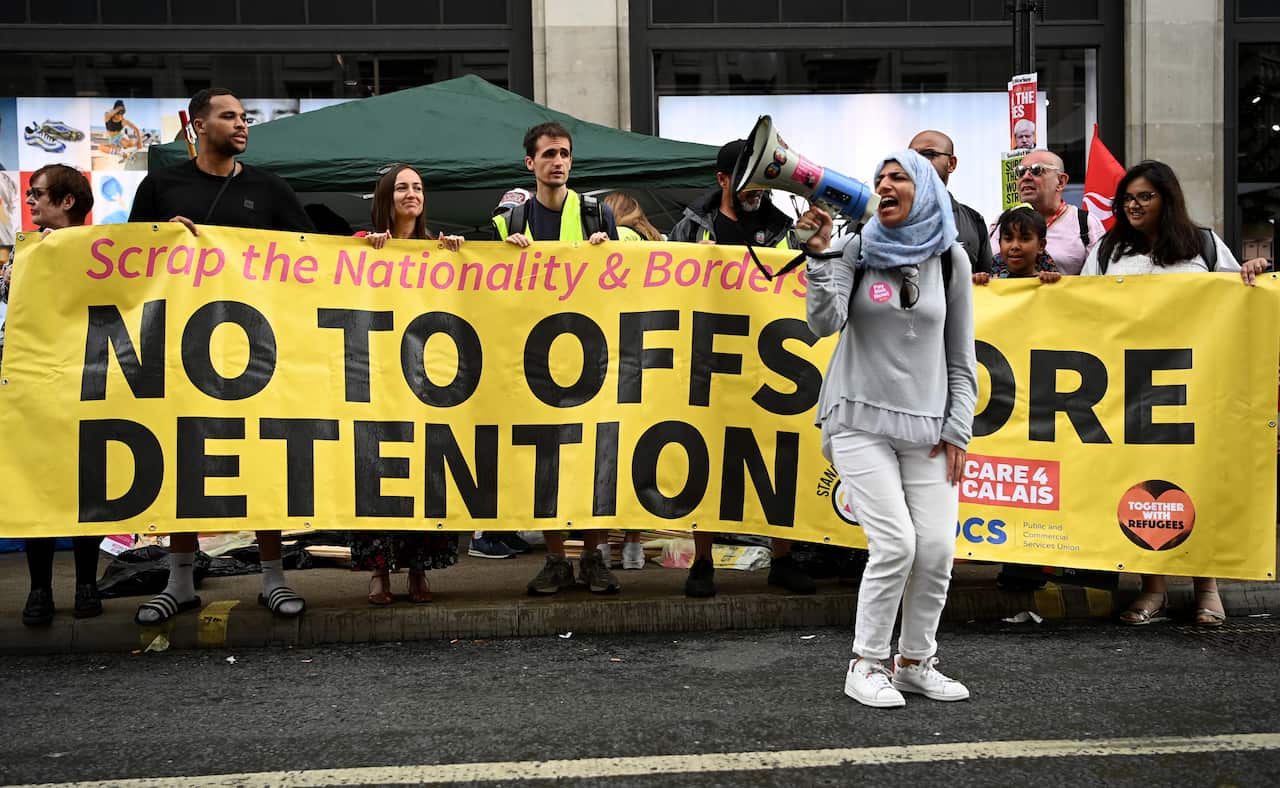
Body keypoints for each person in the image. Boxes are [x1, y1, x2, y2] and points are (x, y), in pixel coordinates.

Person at [127, 87, 315, 624]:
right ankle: (179, 580)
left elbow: (316, 261)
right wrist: (164, 240)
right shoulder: (162, 185)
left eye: (244, 117)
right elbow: (128, 258)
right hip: (183, 349)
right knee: (184, 457)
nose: (241, 125)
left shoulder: (270, 189)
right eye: (228, 116)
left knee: (261, 456)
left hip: (257, 350)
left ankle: (274, 578)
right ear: (198, 124)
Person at [797, 149, 977, 709]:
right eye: (880, 179)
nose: (886, 185)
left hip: (927, 428)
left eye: (899, 176)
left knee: (937, 550)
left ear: (923, 188)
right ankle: (866, 663)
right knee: (896, 544)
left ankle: (916, 662)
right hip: (857, 417)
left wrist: (958, 430)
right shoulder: (856, 246)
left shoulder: (951, 260)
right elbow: (822, 322)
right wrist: (822, 254)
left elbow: (961, 357)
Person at [1079, 160, 1269, 627]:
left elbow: (1235, 296)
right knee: (1140, 482)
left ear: (1168, 198)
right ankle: (1153, 590)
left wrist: (1253, 272)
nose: (1134, 205)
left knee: (1198, 477)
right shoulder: (1107, 250)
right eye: (1127, 198)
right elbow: (1079, 305)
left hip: (1196, 385)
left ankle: (1208, 588)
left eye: (1145, 196)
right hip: (1132, 389)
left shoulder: (1202, 243)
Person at [667, 140, 816, 598]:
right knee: (705, 456)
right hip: (706, 357)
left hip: (769, 359)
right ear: (722, 180)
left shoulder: (782, 228)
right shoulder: (692, 227)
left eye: (761, 176)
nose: (755, 187)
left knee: (777, 453)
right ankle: (703, 561)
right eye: (745, 177)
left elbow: (804, 280)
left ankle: (783, 558)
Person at [491, 121, 621, 594]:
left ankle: (593, 557)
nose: (558, 162)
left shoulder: (596, 214)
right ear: (530, 164)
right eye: (548, 154)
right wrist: (503, 254)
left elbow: (630, 276)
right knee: (544, 459)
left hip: (591, 356)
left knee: (594, 456)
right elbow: (486, 285)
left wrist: (612, 253)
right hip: (535, 362)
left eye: (564, 153)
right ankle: (554, 559)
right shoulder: (511, 220)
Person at [350, 163, 464, 604]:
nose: (411, 194)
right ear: (386, 196)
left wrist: (455, 255)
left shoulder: (437, 247)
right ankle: (378, 574)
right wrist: (368, 253)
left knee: (423, 474)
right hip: (377, 382)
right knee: (376, 474)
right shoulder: (363, 244)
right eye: (401, 187)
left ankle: (419, 570)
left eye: (417, 187)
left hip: (425, 381)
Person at [15, 164, 103, 626]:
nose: (30, 201)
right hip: (36, 387)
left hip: (86, 384)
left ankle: (86, 584)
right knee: (40, 489)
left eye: (38, 193)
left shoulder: (102, 249)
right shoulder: (26, 252)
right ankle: (39, 589)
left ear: (67, 201)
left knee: (84, 487)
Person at [992, 149, 1103, 276]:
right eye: (1020, 172)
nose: (1026, 177)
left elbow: (1100, 281)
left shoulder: (1086, 223)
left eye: (1036, 170)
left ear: (1061, 181)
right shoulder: (1003, 220)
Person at [909, 130, 994, 274]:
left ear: (951, 163)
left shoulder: (974, 221)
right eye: (911, 156)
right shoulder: (885, 219)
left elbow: (988, 284)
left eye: (928, 154)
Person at [973, 203, 1061, 285]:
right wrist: (976, 283)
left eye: (1025, 239)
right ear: (1000, 243)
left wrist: (1054, 283)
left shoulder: (1047, 282)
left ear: (1041, 246)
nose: (1015, 246)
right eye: (1008, 239)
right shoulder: (989, 282)